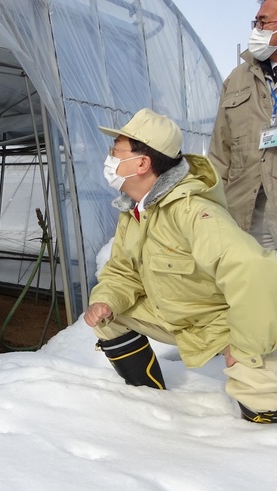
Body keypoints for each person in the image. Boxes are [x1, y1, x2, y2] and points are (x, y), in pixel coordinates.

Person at [86, 107, 277, 423]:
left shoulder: (193, 212)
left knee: (262, 408)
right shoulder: (134, 213)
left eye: (115, 152)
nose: (109, 159)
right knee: (105, 315)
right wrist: (106, 300)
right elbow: (122, 270)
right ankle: (147, 395)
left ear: (142, 163)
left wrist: (244, 346)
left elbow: (256, 271)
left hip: (222, 325)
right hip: (177, 315)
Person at [209, 0, 277, 249]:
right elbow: (220, 153)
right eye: (255, 22)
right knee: (254, 286)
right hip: (243, 223)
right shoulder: (236, 80)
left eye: (264, 22)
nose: (256, 30)